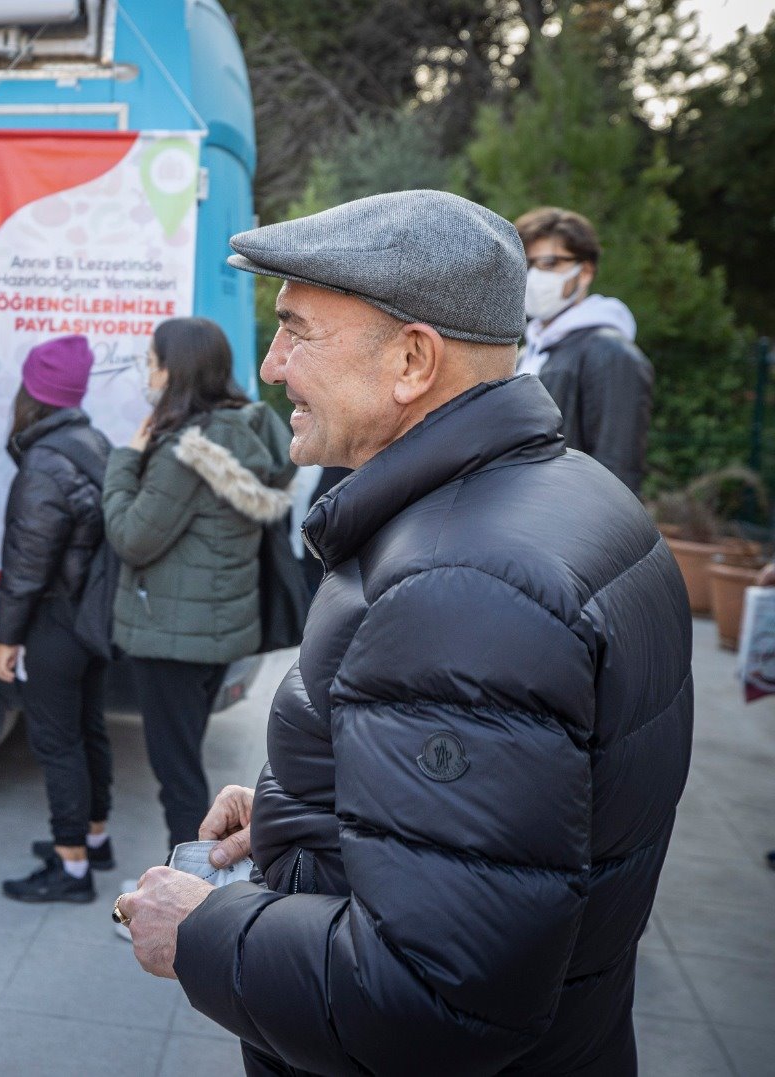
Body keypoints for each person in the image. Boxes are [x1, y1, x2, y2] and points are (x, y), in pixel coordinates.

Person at [120, 190, 692, 1075]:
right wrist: (307, 811)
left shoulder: (460, 587)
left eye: (299, 330)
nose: (272, 367)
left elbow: (436, 992)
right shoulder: (570, 495)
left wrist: (200, 929)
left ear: (413, 360)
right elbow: (515, 831)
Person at [101, 317, 294, 851]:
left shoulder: (186, 451)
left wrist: (126, 459)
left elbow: (132, 537)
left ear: (176, 370)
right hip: (217, 630)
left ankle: (184, 900)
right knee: (186, 763)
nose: (148, 373)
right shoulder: (244, 429)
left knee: (178, 776)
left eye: (152, 362)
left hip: (173, 637)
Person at [0, 335, 115, 904]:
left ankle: (71, 870)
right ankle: (94, 837)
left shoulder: (44, 462)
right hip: (91, 617)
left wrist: (5, 638)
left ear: (33, 393)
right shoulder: (94, 441)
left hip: (56, 621)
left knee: (57, 741)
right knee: (89, 728)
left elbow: (25, 565)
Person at [516, 206, 653, 493]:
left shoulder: (610, 354)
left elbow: (618, 471)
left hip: (567, 524)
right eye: (526, 264)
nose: (535, 276)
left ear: (586, 271)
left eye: (550, 263)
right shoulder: (527, 352)